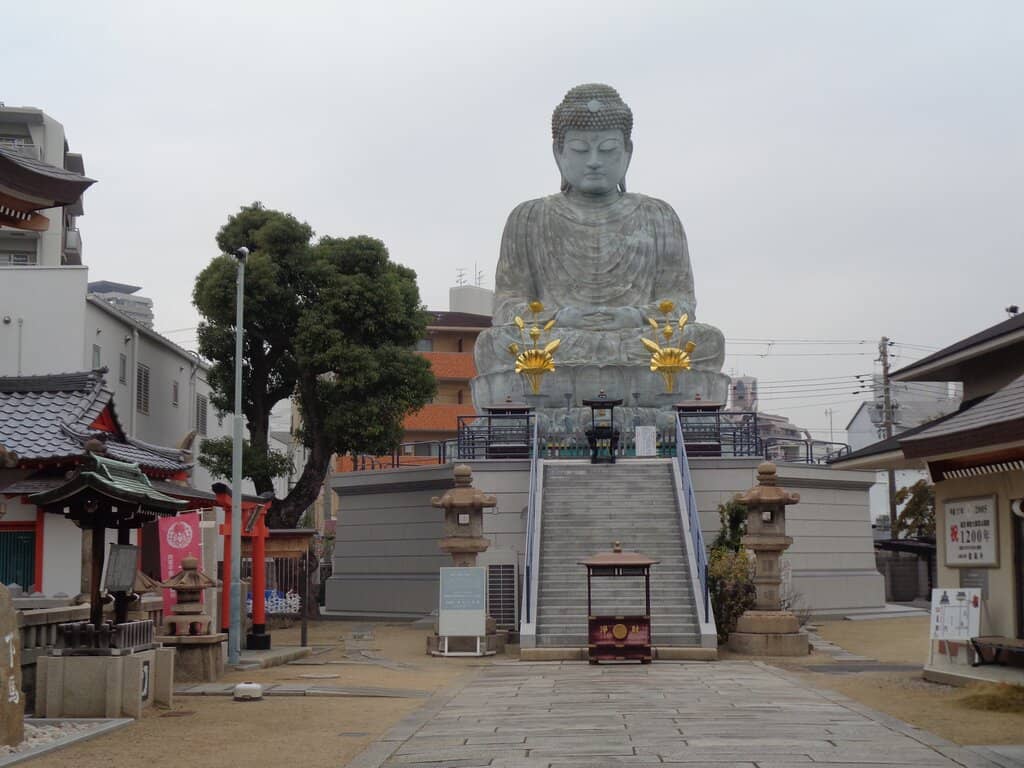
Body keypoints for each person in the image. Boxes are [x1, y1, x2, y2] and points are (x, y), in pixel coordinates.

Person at [472, 84, 728, 430]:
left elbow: (681, 304)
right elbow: (506, 308)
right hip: (560, 341)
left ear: (628, 152)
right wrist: (565, 316)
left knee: (707, 342)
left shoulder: (658, 215)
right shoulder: (529, 217)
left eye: (607, 149)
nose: (594, 161)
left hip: (635, 339)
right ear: (558, 154)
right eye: (580, 149)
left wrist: (633, 315)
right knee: (494, 346)